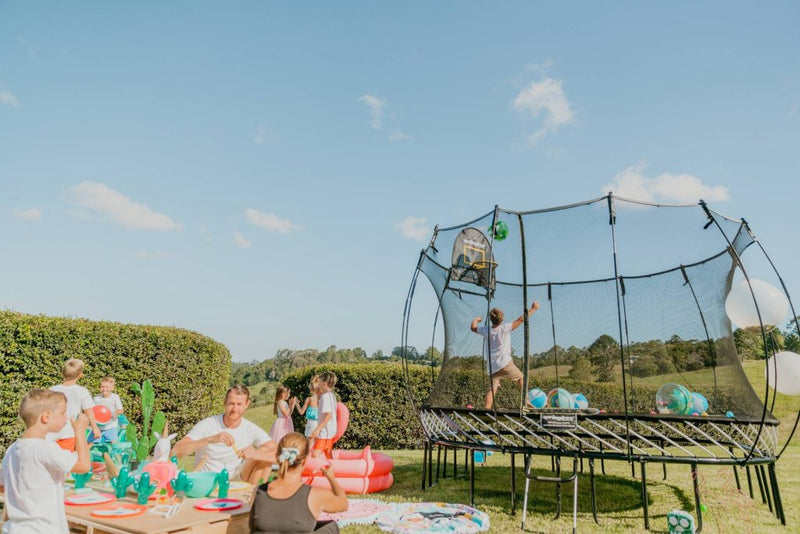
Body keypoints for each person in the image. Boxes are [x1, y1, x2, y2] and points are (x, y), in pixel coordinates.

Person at [0, 389, 91, 534]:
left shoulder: (12, 450)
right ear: (46, 416)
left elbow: (3, 487)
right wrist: (80, 431)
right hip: (43, 529)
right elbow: (84, 465)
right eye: (62, 413)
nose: (66, 417)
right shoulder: (45, 448)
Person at [172, 385, 276, 485]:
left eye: (239, 404)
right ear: (224, 402)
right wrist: (210, 439)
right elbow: (175, 452)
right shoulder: (208, 424)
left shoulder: (250, 428)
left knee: (265, 455)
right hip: (207, 481)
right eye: (231, 403)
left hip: (235, 481)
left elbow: (281, 454)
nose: (235, 409)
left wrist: (256, 453)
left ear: (247, 404)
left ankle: (255, 497)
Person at [249, 432, 347, 534]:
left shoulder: (258, 491)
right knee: (331, 526)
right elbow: (343, 504)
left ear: (278, 457)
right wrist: (331, 478)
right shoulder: (314, 495)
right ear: (304, 461)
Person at [471, 301, 540, 409]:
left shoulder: (486, 330)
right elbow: (521, 319)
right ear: (502, 319)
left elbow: (473, 328)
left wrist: (475, 320)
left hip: (492, 367)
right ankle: (525, 401)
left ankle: (486, 409)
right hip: (505, 363)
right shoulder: (505, 328)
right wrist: (533, 309)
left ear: (491, 319)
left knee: (492, 389)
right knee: (521, 378)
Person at [49, 358, 101, 451]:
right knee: (68, 461)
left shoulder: (52, 389)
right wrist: (95, 428)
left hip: (51, 433)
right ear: (80, 375)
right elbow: (89, 411)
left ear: (62, 372)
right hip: (70, 433)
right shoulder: (82, 391)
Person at [309, 372, 337, 459]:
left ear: (324, 384)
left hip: (325, 431)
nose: (318, 384)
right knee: (328, 453)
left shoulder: (325, 397)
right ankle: (331, 471)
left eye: (319, 382)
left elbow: (329, 415)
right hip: (330, 429)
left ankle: (314, 472)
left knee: (315, 455)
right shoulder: (332, 396)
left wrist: (318, 429)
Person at [92, 376, 124, 442]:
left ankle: (115, 452)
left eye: (107, 387)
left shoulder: (115, 398)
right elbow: (92, 411)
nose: (104, 389)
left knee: (113, 443)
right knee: (92, 443)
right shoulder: (96, 398)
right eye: (102, 387)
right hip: (98, 427)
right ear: (99, 388)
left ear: (112, 388)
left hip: (110, 426)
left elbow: (121, 410)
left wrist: (115, 413)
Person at [295, 376, 320, 450]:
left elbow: (301, 412)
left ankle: (307, 460)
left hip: (311, 424)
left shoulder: (309, 399)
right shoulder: (321, 399)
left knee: (309, 444)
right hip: (319, 424)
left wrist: (297, 404)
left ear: (310, 388)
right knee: (316, 445)